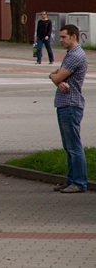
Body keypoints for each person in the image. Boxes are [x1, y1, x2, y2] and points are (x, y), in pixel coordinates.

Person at [49, 24, 87, 193]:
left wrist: (53, 76)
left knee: (74, 145)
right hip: (65, 103)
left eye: (64, 37)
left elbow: (58, 75)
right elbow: (59, 77)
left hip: (70, 103)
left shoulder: (75, 55)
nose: (61, 40)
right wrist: (57, 78)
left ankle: (79, 182)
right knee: (68, 145)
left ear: (74, 36)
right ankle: (71, 179)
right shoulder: (70, 54)